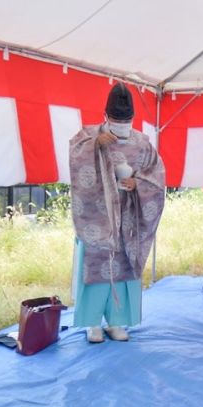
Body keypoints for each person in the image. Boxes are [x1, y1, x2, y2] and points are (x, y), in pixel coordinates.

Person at [68, 83, 166, 343]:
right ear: (106, 116)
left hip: (131, 212)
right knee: (96, 265)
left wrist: (138, 183)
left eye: (126, 121)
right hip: (98, 214)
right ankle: (92, 324)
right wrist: (95, 146)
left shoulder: (142, 143)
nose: (122, 126)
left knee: (124, 264)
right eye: (116, 121)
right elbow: (76, 160)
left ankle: (118, 321)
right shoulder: (87, 136)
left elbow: (157, 175)